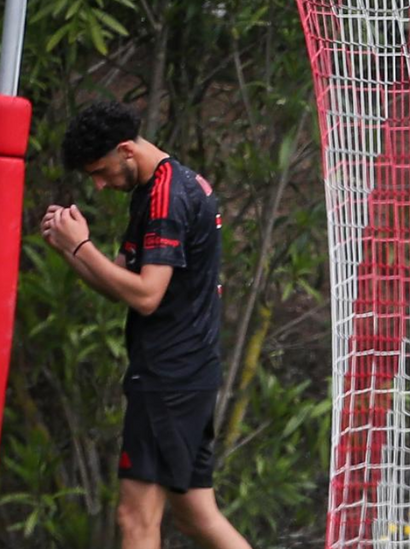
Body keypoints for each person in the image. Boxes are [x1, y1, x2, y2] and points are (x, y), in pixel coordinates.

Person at [42, 101, 250, 549]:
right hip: (187, 373)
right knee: (197, 516)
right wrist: (71, 248)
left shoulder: (168, 195)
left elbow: (146, 295)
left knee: (135, 518)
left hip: (169, 377)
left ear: (126, 151)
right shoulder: (158, 187)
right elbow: (119, 280)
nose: (99, 185)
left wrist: (81, 248)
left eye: (100, 171)